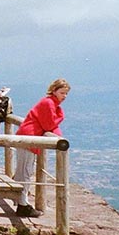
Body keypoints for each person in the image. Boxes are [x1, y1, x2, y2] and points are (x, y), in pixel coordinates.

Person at [12, 79, 70, 218]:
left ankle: (21, 201)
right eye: (62, 93)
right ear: (54, 90)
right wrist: (61, 116)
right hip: (29, 138)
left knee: (23, 171)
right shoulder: (49, 103)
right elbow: (49, 124)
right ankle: (22, 205)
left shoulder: (50, 103)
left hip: (28, 137)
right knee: (25, 172)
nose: (64, 96)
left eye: (66, 93)